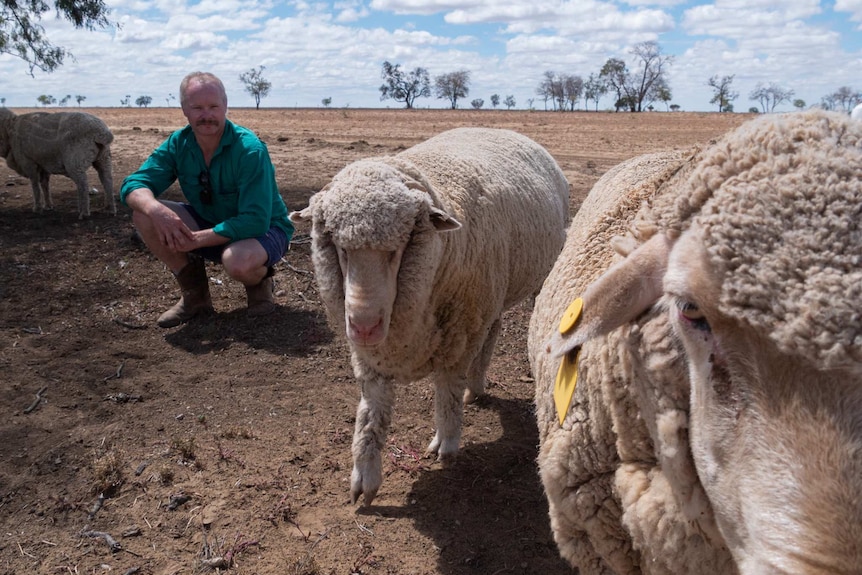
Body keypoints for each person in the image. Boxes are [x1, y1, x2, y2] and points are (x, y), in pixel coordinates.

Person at [120, 71, 293, 328]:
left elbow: (255, 221)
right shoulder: (178, 144)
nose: (206, 115)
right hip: (213, 223)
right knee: (142, 213)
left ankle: (260, 283)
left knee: (236, 261)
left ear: (225, 106)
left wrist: (197, 239)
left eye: (213, 106)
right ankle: (195, 297)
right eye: (197, 107)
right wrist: (156, 209)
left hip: (265, 230)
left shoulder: (249, 149)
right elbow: (133, 184)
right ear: (184, 110)